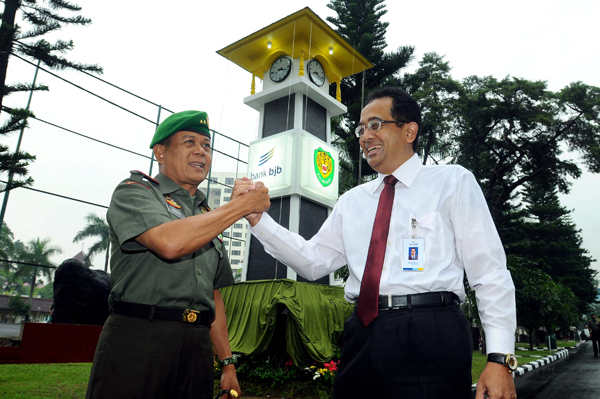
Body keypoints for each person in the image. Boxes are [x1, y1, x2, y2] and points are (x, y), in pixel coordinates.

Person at [235, 87, 517, 399]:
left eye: (375, 124)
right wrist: (258, 220)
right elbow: (313, 261)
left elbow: (489, 273)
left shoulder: (452, 182)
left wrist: (500, 357)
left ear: (409, 130)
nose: (365, 136)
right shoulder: (352, 201)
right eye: (361, 128)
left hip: (431, 333)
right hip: (362, 335)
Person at [86, 110, 270, 399]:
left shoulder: (207, 215)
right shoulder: (136, 192)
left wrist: (227, 364)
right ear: (161, 152)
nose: (201, 151)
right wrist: (240, 207)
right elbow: (169, 243)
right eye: (189, 142)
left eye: (206, 146)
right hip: (139, 338)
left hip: (196, 346)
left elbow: (213, 295)